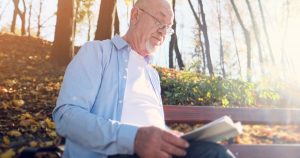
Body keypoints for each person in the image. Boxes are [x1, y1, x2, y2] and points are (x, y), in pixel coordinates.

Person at [52, 0, 235, 157]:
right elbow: (66, 117)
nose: (163, 32)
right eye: (159, 21)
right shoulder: (97, 52)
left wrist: (170, 138)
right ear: (136, 15)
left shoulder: (152, 75)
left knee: (215, 153)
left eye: (168, 28)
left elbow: (152, 128)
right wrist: (134, 138)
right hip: (112, 153)